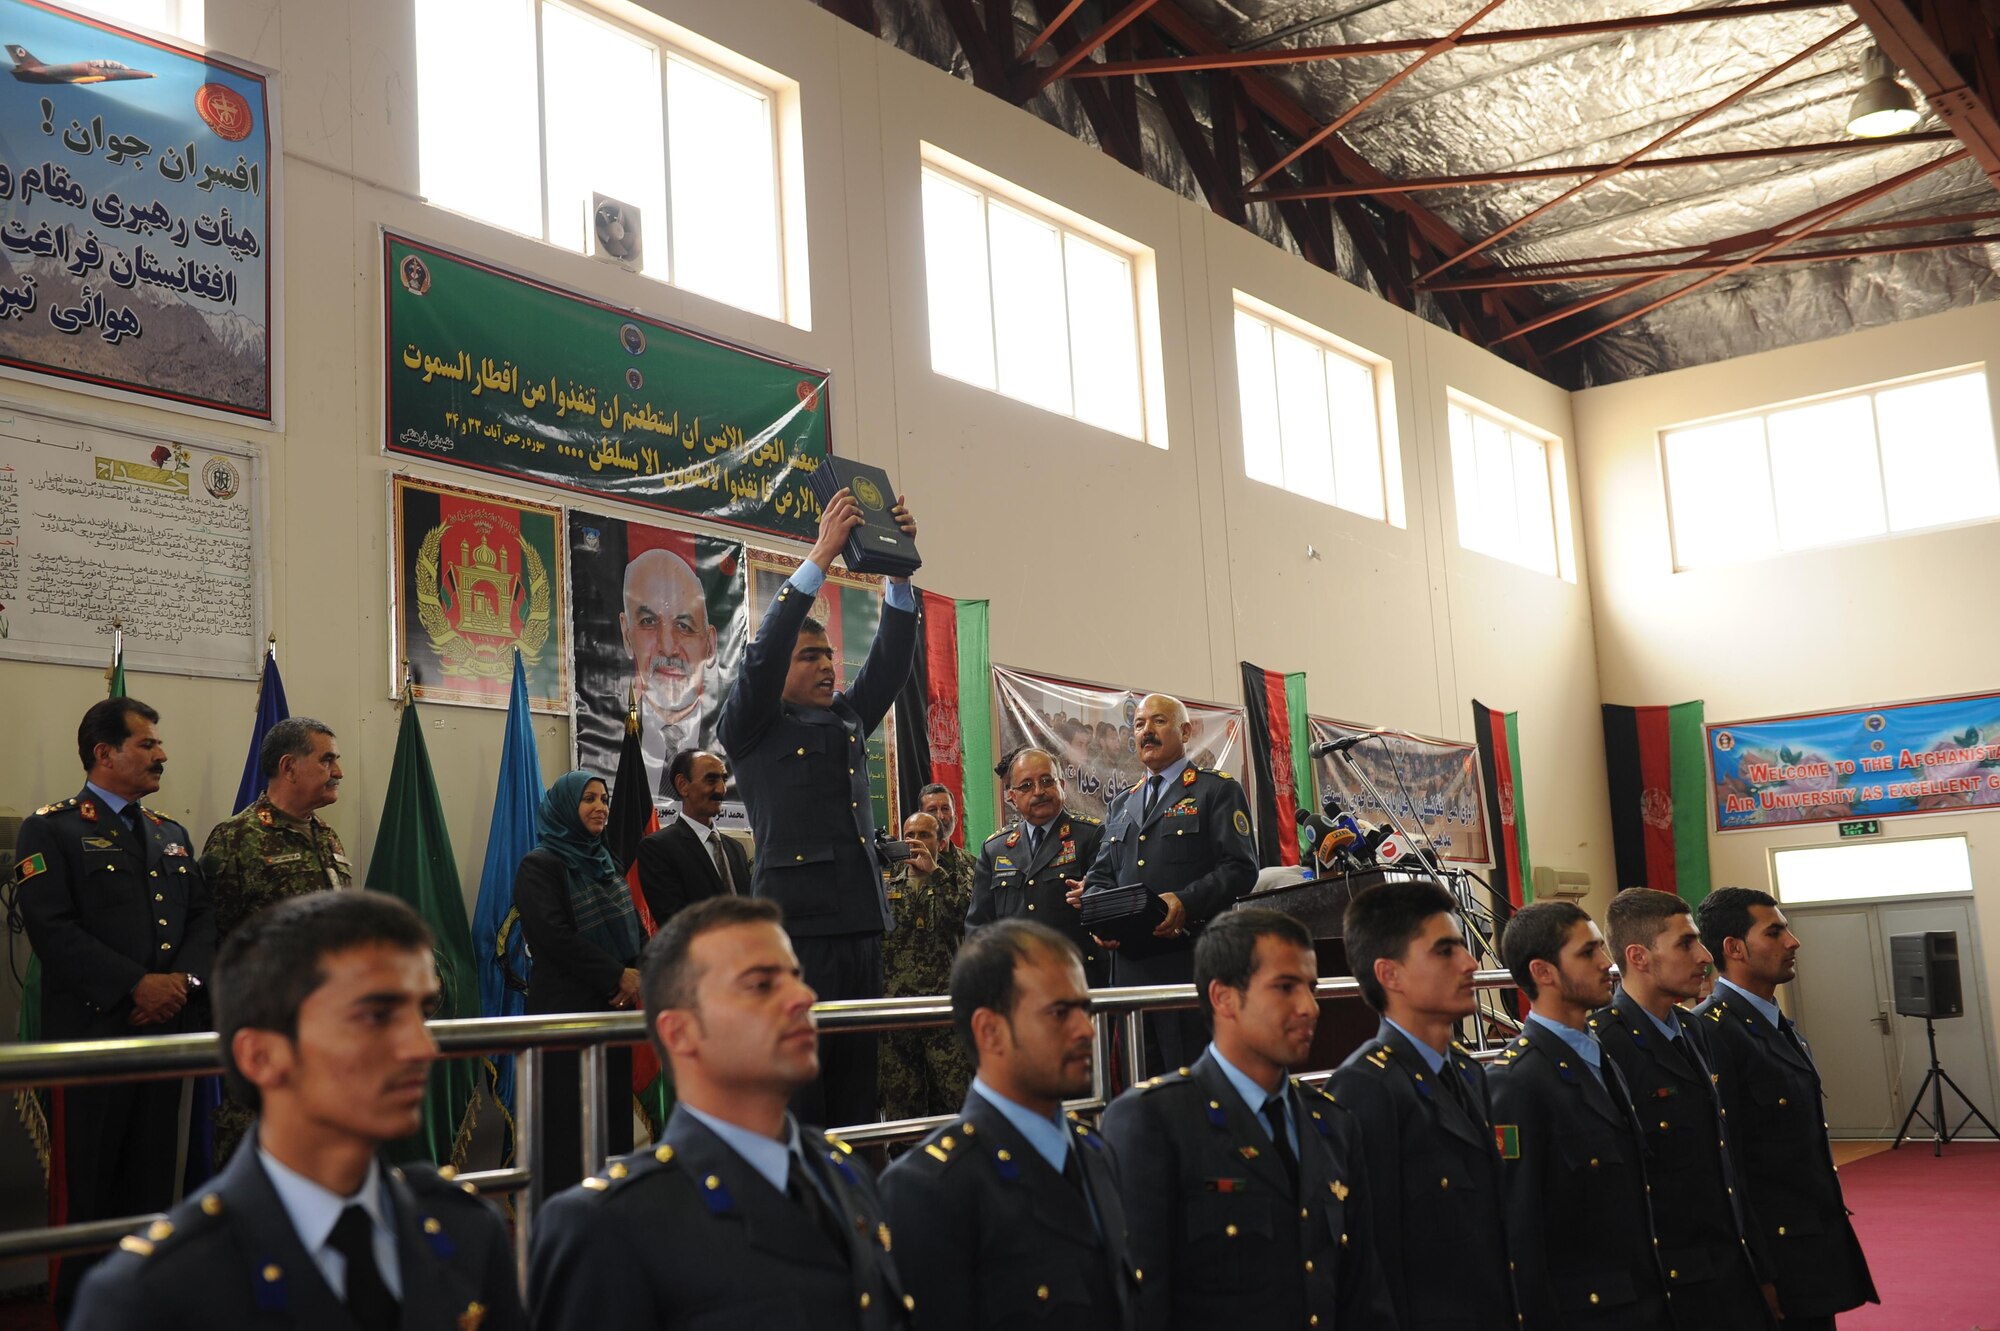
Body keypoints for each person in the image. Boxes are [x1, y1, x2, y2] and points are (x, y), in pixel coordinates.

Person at [70, 891, 527, 1331]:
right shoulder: (154, 1293)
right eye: (375, 1016)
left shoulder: (466, 1230)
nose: (422, 1049)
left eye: (422, 1013)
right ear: (261, 1056)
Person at [529, 896, 913, 1330]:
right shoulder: (608, 1225)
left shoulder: (843, 1173)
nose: (803, 997)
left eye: (796, 977)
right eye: (761, 985)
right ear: (680, 1032)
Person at [718, 487, 920, 1127]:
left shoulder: (845, 719)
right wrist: (822, 556)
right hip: (800, 930)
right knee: (803, 1089)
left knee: (860, 1094)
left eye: (830, 655)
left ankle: (854, 1186)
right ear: (779, 672)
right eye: (810, 657)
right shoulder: (752, 728)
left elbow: (889, 666)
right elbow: (763, 652)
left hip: (861, 923)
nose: (828, 666)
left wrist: (898, 573)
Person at [15, 696, 216, 1318]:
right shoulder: (51, 828)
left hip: (163, 1033)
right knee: (89, 1187)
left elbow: (203, 920)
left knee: (152, 1181)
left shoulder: (170, 833)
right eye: (147, 744)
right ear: (104, 753)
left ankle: (142, 1305)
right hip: (92, 1035)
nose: (161, 755)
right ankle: (81, 1311)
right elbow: (52, 929)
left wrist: (179, 983)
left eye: (157, 743)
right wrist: (136, 986)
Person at [1099, 909, 1393, 1330]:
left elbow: (1363, 1296)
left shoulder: (1332, 1123)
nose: (1310, 1008)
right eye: (1285, 987)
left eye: (1311, 988)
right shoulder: (1154, 1121)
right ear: (1224, 998)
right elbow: (1140, 1306)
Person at [880, 919, 1138, 1329]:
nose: (1085, 1031)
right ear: (990, 1031)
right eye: (1059, 1013)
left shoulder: (1094, 1153)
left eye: (1084, 1010)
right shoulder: (929, 1188)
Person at [1328, 878, 1517, 1331]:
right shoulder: (1366, 1088)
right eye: (1445, 951)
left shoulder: (1467, 1072)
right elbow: (1373, 1264)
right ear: (1389, 975)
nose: (1470, 963)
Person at [1696, 888, 1877, 1331]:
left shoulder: (1775, 1024)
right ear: (1734, 948)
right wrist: (1755, 1269)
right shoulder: (1712, 1032)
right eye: (1774, 932)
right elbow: (1726, 1168)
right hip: (1772, 1255)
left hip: (1808, 1250)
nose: (1793, 942)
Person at [1595, 888, 1773, 1331]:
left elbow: (1726, 1160)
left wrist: (1760, 1267)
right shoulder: (1605, 1045)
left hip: (1728, 1268)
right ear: (1638, 957)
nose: (1704, 957)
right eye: (1685, 944)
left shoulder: (1694, 1030)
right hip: (1670, 1283)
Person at [1489, 900, 1672, 1331]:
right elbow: (1519, 1232)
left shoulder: (1598, 1054)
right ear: (1543, 972)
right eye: (1588, 952)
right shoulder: (1517, 1081)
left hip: (1640, 1302)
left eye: (1601, 948)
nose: (1607, 963)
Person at [200, 716, 354, 1167]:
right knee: (258, 1166)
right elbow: (213, 940)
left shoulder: (327, 837)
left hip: (327, 1034)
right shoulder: (236, 839)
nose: (338, 772)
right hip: (267, 1037)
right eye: (326, 760)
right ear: (288, 767)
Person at [1075, 693, 1257, 1073]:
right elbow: (1101, 875)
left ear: (1185, 732)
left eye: (1158, 721)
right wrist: (1099, 917)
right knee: (1140, 1087)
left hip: (1189, 966)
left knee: (1193, 1083)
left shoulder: (1215, 790)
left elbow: (1240, 868)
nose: (1147, 732)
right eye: (1139, 724)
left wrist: (1186, 901)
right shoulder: (1122, 802)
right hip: (1129, 975)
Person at [513, 771, 646, 1199]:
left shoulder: (606, 860)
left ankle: (610, 1211)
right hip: (564, 1015)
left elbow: (634, 929)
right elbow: (552, 937)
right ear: (565, 807)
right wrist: (617, 975)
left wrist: (639, 972)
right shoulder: (540, 864)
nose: (600, 807)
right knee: (565, 1127)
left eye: (604, 799)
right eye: (588, 799)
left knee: (610, 1122)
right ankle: (563, 1218)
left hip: (613, 1012)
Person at [968, 747, 1106, 985]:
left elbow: (1110, 903)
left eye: (1046, 781)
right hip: (1017, 982)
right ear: (1012, 797)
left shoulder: (1091, 835)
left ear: (1061, 785)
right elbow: (978, 926)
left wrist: (1095, 895)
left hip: (1077, 978)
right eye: (1026, 786)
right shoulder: (994, 849)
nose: (1039, 791)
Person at [879, 812, 974, 1121]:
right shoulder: (887, 881)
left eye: (924, 835)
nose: (915, 841)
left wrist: (934, 873)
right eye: (910, 834)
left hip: (943, 1009)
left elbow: (966, 918)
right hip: (897, 1010)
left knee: (957, 1096)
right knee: (902, 1103)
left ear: (941, 842)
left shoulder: (954, 879)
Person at [622, 546, 723, 795]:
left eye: (684, 626)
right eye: (648, 622)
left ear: (710, 644)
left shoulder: (735, 745)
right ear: (626, 634)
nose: (668, 648)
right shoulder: (613, 742)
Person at [636, 749, 750, 925]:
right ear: (683, 785)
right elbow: (676, 922)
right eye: (711, 780)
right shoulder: (658, 848)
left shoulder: (736, 849)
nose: (721, 789)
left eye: (724, 779)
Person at [917, 782, 970, 877]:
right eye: (932, 810)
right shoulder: (906, 863)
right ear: (920, 818)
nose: (940, 816)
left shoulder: (971, 863)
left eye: (945, 809)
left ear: (955, 818)